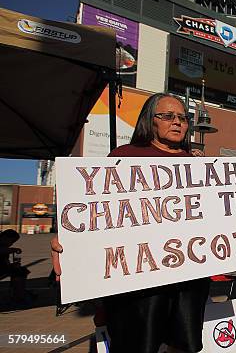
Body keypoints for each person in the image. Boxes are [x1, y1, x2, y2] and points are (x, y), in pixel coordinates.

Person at [51, 93, 209, 353]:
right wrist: (65, 239)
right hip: (140, 283)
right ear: (150, 120)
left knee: (184, 344)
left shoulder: (196, 163)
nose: (178, 122)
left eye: (182, 117)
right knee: (138, 345)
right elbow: (94, 211)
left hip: (188, 281)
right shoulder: (123, 156)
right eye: (168, 116)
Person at [0, 229, 30, 303]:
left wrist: (11, 265)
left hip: (2, 268)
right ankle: (18, 295)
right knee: (19, 272)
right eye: (11, 241)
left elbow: (5, 261)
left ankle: (18, 293)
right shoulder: (3, 247)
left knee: (20, 270)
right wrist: (13, 250)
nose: (11, 244)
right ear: (5, 237)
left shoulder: (4, 246)